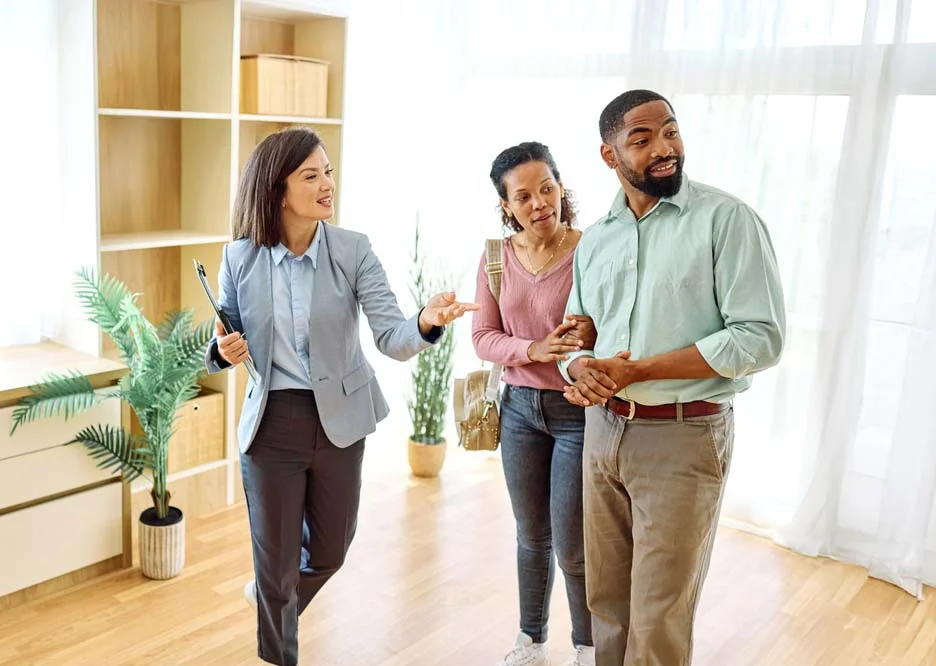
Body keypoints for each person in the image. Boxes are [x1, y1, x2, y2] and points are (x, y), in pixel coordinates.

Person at [204, 126, 478, 666]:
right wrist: (220, 351)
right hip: (271, 423)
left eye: (328, 171)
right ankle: (277, 646)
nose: (328, 184)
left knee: (330, 551)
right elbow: (218, 333)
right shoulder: (240, 258)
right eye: (312, 175)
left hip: (339, 421)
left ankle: (271, 596)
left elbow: (392, 338)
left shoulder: (353, 250)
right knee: (276, 562)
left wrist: (424, 321)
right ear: (277, 190)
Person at [558, 90, 786, 666]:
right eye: (642, 140)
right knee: (606, 602)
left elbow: (760, 337)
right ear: (610, 156)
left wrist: (641, 370)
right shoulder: (598, 239)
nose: (665, 149)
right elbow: (580, 335)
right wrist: (580, 366)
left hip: (684, 438)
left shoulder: (726, 220)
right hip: (602, 432)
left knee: (659, 616)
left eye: (671, 132)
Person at [472, 142, 598, 666]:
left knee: (572, 544)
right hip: (519, 409)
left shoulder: (591, 249)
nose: (539, 203)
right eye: (522, 196)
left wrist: (585, 340)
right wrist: (532, 349)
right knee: (531, 535)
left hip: (577, 413)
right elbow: (482, 336)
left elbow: (610, 324)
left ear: (560, 187)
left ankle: (588, 648)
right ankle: (531, 640)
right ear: (506, 206)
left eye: (546, 188)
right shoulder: (495, 257)